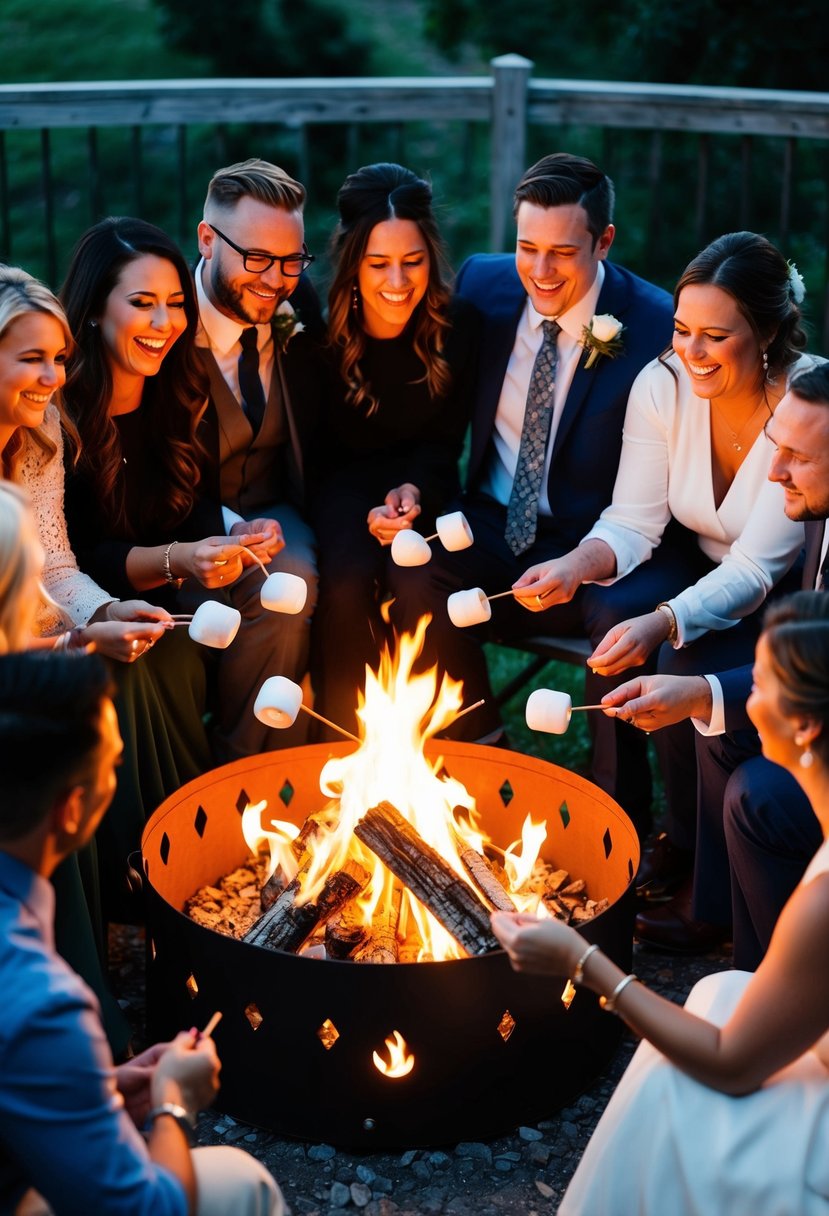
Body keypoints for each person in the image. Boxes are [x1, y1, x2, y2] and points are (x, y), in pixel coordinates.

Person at [493, 590, 829, 1216]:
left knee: (669, 1085)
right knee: (713, 994)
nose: (747, 695)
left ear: (807, 725)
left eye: (762, 682)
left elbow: (732, 1066)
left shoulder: (822, 903)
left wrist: (584, 963)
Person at [387, 153, 674, 769]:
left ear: (604, 242)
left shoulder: (655, 325)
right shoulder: (482, 285)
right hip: (488, 522)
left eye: (563, 253)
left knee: (621, 619)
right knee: (413, 570)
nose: (539, 272)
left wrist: (588, 560)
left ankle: (616, 809)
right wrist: (412, 487)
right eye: (526, 247)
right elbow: (436, 416)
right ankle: (481, 750)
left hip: (595, 538)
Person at [523, 232, 813, 839]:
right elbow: (633, 520)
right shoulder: (662, 385)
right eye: (682, 330)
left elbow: (759, 569)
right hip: (701, 565)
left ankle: (692, 851)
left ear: (765, 332)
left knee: (681, 652)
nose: (691, 352)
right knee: (610, 607)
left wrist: (665, 620)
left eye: (715, 336)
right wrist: (576, 564)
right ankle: (630, 823)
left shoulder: (805, 401)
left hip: (792, 594)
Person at [0, 650, 283, 1216]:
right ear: (73, 808)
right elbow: (153, 1208)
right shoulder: (42, 1000)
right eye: (112, 763)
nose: (121, 767)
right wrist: (172, 1106)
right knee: (242, 1181)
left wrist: (96, 1083)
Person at [60, 217, 275, 920]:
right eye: (140, 303)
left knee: (178, 651)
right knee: (131, 662)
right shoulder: (56, 411)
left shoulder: (184, 395)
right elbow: (65, 557)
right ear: (93, 311)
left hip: (167, 606)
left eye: (174, 302)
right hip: (75, 609)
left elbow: (198, 515)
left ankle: (184, 853)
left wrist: (235, 536)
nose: (163, 321)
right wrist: (176, 560)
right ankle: (149, 870)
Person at [604, 361, 829, 961]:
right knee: (724, 728)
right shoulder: (814, 507)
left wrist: (702, 693)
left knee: (757, 790)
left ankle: (781, 984)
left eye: (797, 458)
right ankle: (722, 917)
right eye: (775, 449)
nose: (775, 471)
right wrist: (704, 693)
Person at [311, 162, 479, 735]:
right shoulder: (315, 333)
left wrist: (413, 493)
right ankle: (340, 740)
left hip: (424, 483)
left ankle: (442, 739)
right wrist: (365, 511)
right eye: (378, 264)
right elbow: (316, 453)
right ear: (352, 261)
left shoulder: (461, 326)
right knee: (347, 580)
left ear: (431, 256)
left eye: (413, 262)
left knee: (418, 570)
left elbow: (444, 442)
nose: (398, 281)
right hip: (336, 487)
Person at [194, 158, 326, 753]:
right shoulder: (160, 325)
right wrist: (224, 529)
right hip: (183, 519)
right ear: (206, 240)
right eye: (256, 259)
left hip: (277, 505)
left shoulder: (304, 310)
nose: (276, 281)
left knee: (290, 582)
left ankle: (255, 776)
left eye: (291, 260)